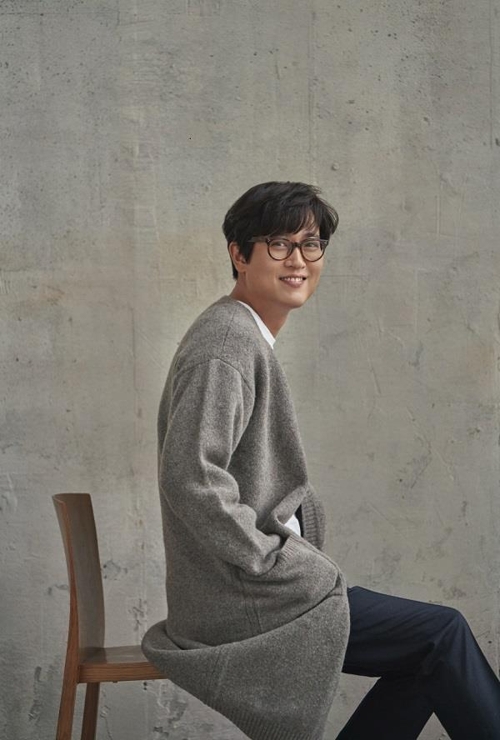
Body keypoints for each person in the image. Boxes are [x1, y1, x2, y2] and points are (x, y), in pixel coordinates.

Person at [142, 182, 500, 740]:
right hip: (245, 598)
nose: (298, 260)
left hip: (262, 587)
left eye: (311, 244)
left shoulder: (244, 335)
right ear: (239, 254)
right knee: (440, 635)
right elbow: (191, 477)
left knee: (427, 650)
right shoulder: (226, 344)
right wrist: (268, 560)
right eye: (279, 244)